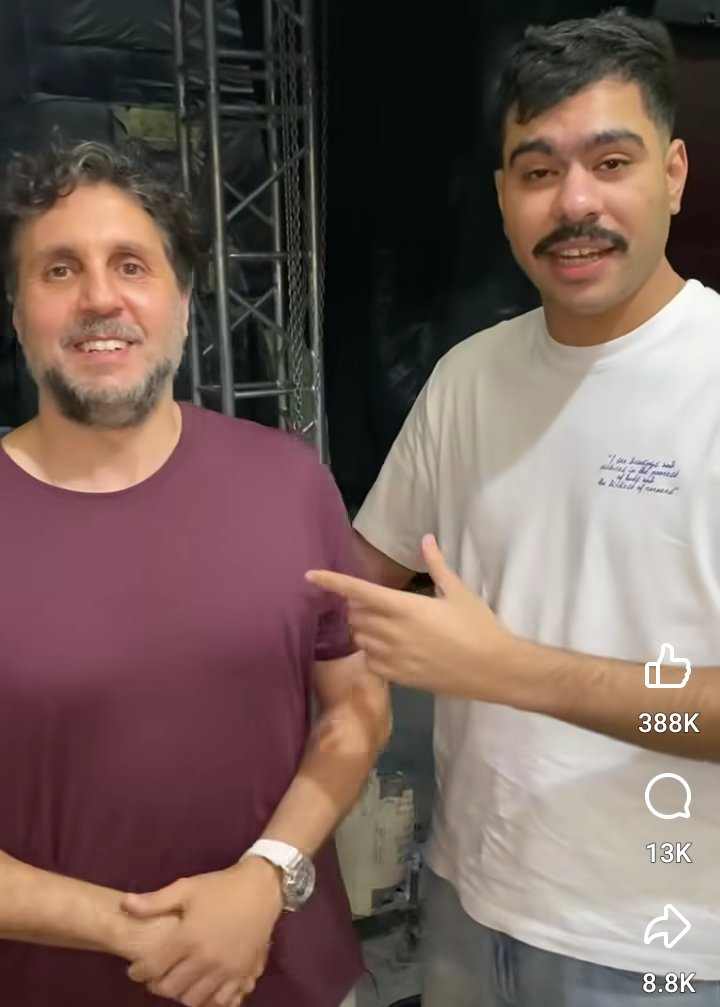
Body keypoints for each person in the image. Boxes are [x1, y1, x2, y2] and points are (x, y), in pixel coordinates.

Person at [307, 9, 720, 1006]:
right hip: (468, 904)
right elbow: (351, 580)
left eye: (610, 162)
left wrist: (511, 670)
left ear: (673, 173)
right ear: (502, 197)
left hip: (661, 942)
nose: (574, 202)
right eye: (538, 171)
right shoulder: (471, 376)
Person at [0, 140, 390, 1007]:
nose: (100, 297)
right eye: (59, 269)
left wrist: (264, 877)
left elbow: (357, 704)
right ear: (18, 311)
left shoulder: (289, 482)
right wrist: (140, 931)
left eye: (131, 264)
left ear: (181, 301)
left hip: (296, 984)